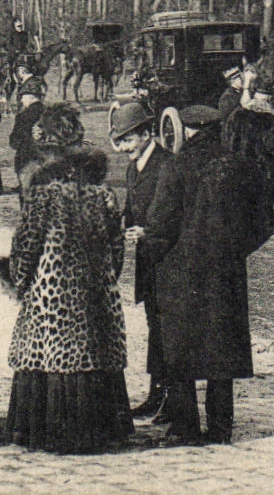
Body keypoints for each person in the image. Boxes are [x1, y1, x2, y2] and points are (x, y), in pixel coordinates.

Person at [142, 101, 274, 445]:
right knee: (221, 349)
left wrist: (154, 253)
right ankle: (220, 426)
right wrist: (234, 251)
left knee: (179, 350)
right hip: (225, 272)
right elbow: (264, 223)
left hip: (180, 271)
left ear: (187, 130)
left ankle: (185, 426)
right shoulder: (241, 166)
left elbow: (160, 224)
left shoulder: (176, 165)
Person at [6, 103, 133, 453]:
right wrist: (105, 279)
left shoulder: (42, 193)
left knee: (49, 354)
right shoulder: (102, 193)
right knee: (95, 354)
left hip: (52, 295)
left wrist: (20, 282)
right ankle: (103, 429)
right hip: (95, 295)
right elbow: (117, 247)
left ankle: (49, 430)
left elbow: (26, 247)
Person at [111, 102, 171, 421]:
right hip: (147, 261)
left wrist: (149, 230)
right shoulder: (133, 168)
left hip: (167, 259)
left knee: (166, 329)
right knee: (154, 326)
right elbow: (130, 210)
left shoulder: (167, 164)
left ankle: (171, 399)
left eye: (128, 140)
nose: (123, 148)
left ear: (146, 134)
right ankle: (156, 394)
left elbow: (174, 212)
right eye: (120, 141)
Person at [8, 76, 47, 193]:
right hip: (46, 155)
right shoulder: (49, 112)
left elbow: (15, 139)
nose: (21, 100)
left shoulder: (23, 115)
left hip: (27, 154)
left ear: (30, 97)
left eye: (23, 97)